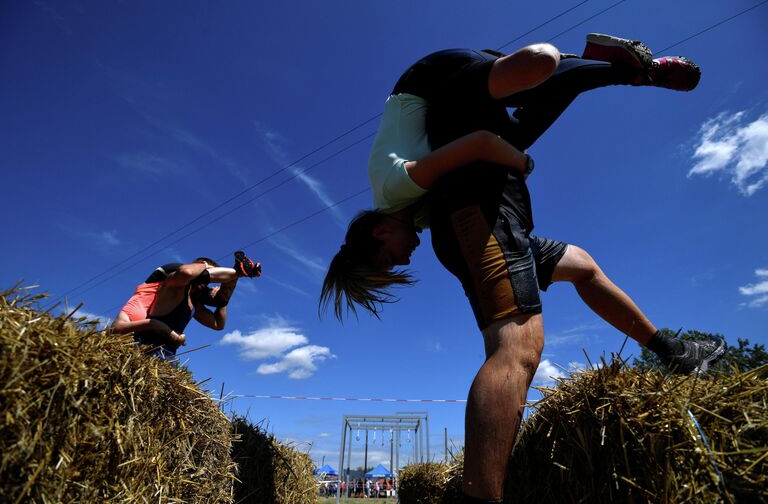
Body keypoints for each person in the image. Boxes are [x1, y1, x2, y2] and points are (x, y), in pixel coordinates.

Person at [320, 34, 725, 503]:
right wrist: (514, 158)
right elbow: (481, 149)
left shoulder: (396, 187)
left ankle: (671, 350)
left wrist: (520, 162)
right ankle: (618, 69)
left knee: (574, 273)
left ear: (377, 234)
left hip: (438, 91)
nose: (404, 258)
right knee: (519, 345)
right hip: (482, 215)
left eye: (391, 258)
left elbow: (481, 144)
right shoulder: (420, 208)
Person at [112, 251, 261, 359]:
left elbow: (218, 324)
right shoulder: (172, 286)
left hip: (163, 360)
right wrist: (203, 265)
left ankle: (239, 271)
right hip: (139, 353)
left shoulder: (194, 304)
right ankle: (239, 271)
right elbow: (187, 272)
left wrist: (222, 295)